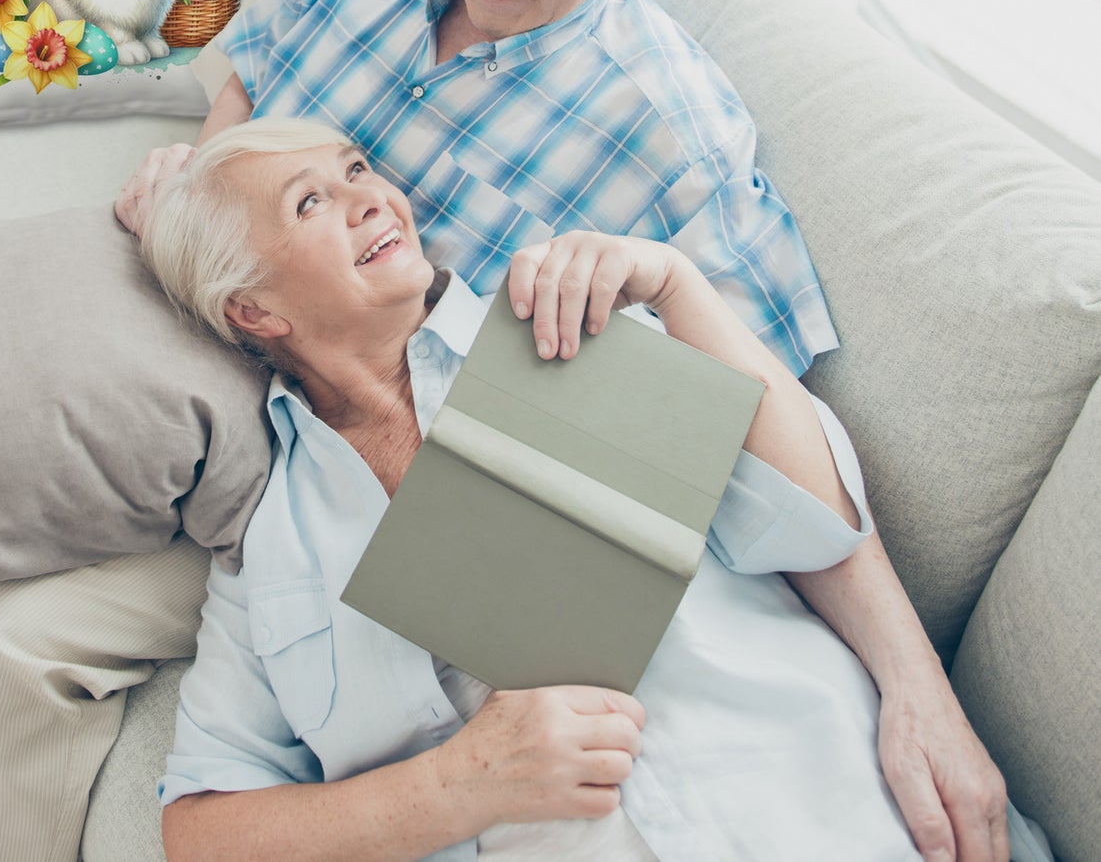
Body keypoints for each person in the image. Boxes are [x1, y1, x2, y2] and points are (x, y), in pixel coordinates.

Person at [0, 0, 1005, 862]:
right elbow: (249, 81)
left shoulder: (673, 142)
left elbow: (759, 436)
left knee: (11, 635)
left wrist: (915, 683)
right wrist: (202, 182)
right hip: (236, 303)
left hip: (350, 429)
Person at [143, 118, 1043, 862]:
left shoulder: (565, 324)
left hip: (830, 811)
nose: (371, 196)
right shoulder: (270, 549)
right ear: (253, 310)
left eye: (356, 169)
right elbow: (200, 831)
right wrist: (458, 784)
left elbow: (814, 523)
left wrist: (676, 285)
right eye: (311, 201)